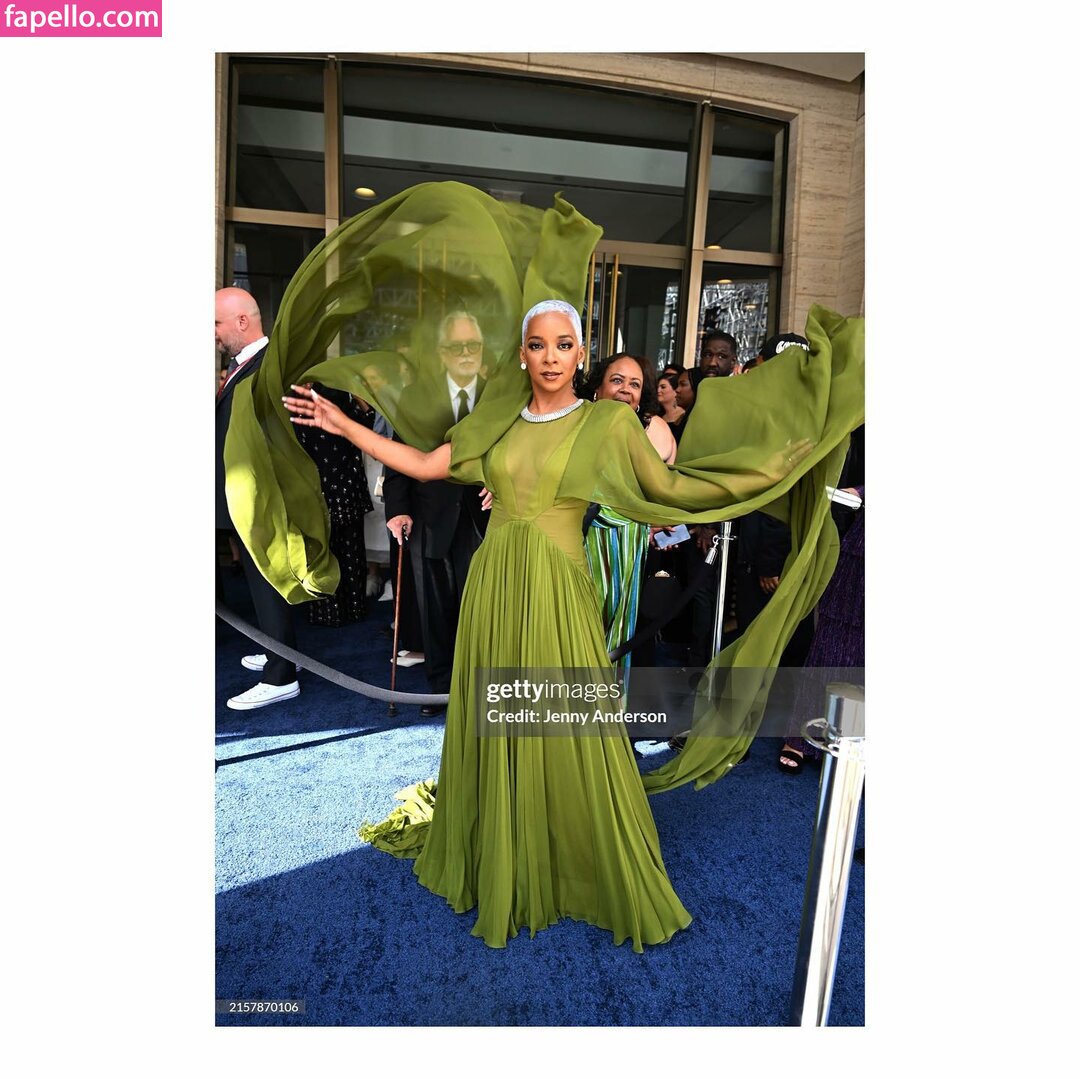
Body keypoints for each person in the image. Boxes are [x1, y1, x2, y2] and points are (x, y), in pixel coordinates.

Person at [282, 298, 851, 952]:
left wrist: (778, 463)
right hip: (495, 583)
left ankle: (566, 838)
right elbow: (430, 464)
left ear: (580, 354)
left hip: (557, 584)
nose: (550, 357)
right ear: (522, 354)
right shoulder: (499, 417)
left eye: (563, 344)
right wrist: (344, 427)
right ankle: (502, 828)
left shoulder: (605, 421)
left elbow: (673, 491)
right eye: (538, 344)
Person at [383, 311, 489, 717]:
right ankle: (440, 690)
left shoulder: (499, 396)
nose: (465, 353)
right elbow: (398, 455)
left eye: (472, 345)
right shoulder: (416, 396)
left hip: (484, 516)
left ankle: (476, 688)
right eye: (456, 346)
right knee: (434, 608)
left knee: (480, 608)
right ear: (442, 352)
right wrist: (398, 509)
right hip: (428, 516)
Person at [214, 287, 300, 709]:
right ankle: (277, 650)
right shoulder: (245, 366)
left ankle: (282, 676)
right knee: (260, 579)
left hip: (258, 497)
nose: (214, 333)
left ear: (242, 322)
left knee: (267, 579)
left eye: (217, 323)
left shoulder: (267, 367)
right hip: (242, 495)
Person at [582, 353, 674, 679]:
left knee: (620, 630)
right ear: (597, 388)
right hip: (578, 544)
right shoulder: (574, 425)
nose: (625, 389)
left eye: (634, 384)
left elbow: (666, 491)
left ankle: (607, 704)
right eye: (617, 380)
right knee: (577, 626)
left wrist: (659, 519)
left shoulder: (650, 432)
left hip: (629, 547)